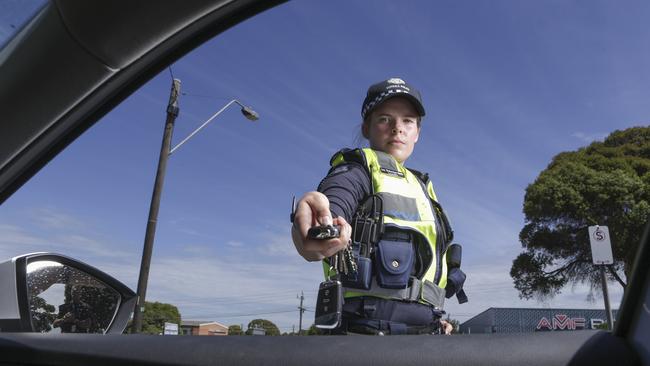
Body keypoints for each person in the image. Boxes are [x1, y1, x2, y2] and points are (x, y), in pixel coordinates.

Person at [292, 77, 467, 335]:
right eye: (385, 118)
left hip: (425, 333)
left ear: (417, 132)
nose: (398, 128)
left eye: (408, 121)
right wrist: (316, 224)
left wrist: (433, 319)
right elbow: (331, 204)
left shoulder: (423, 186)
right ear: (366, 128)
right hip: (365, 333)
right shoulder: (355, 169)